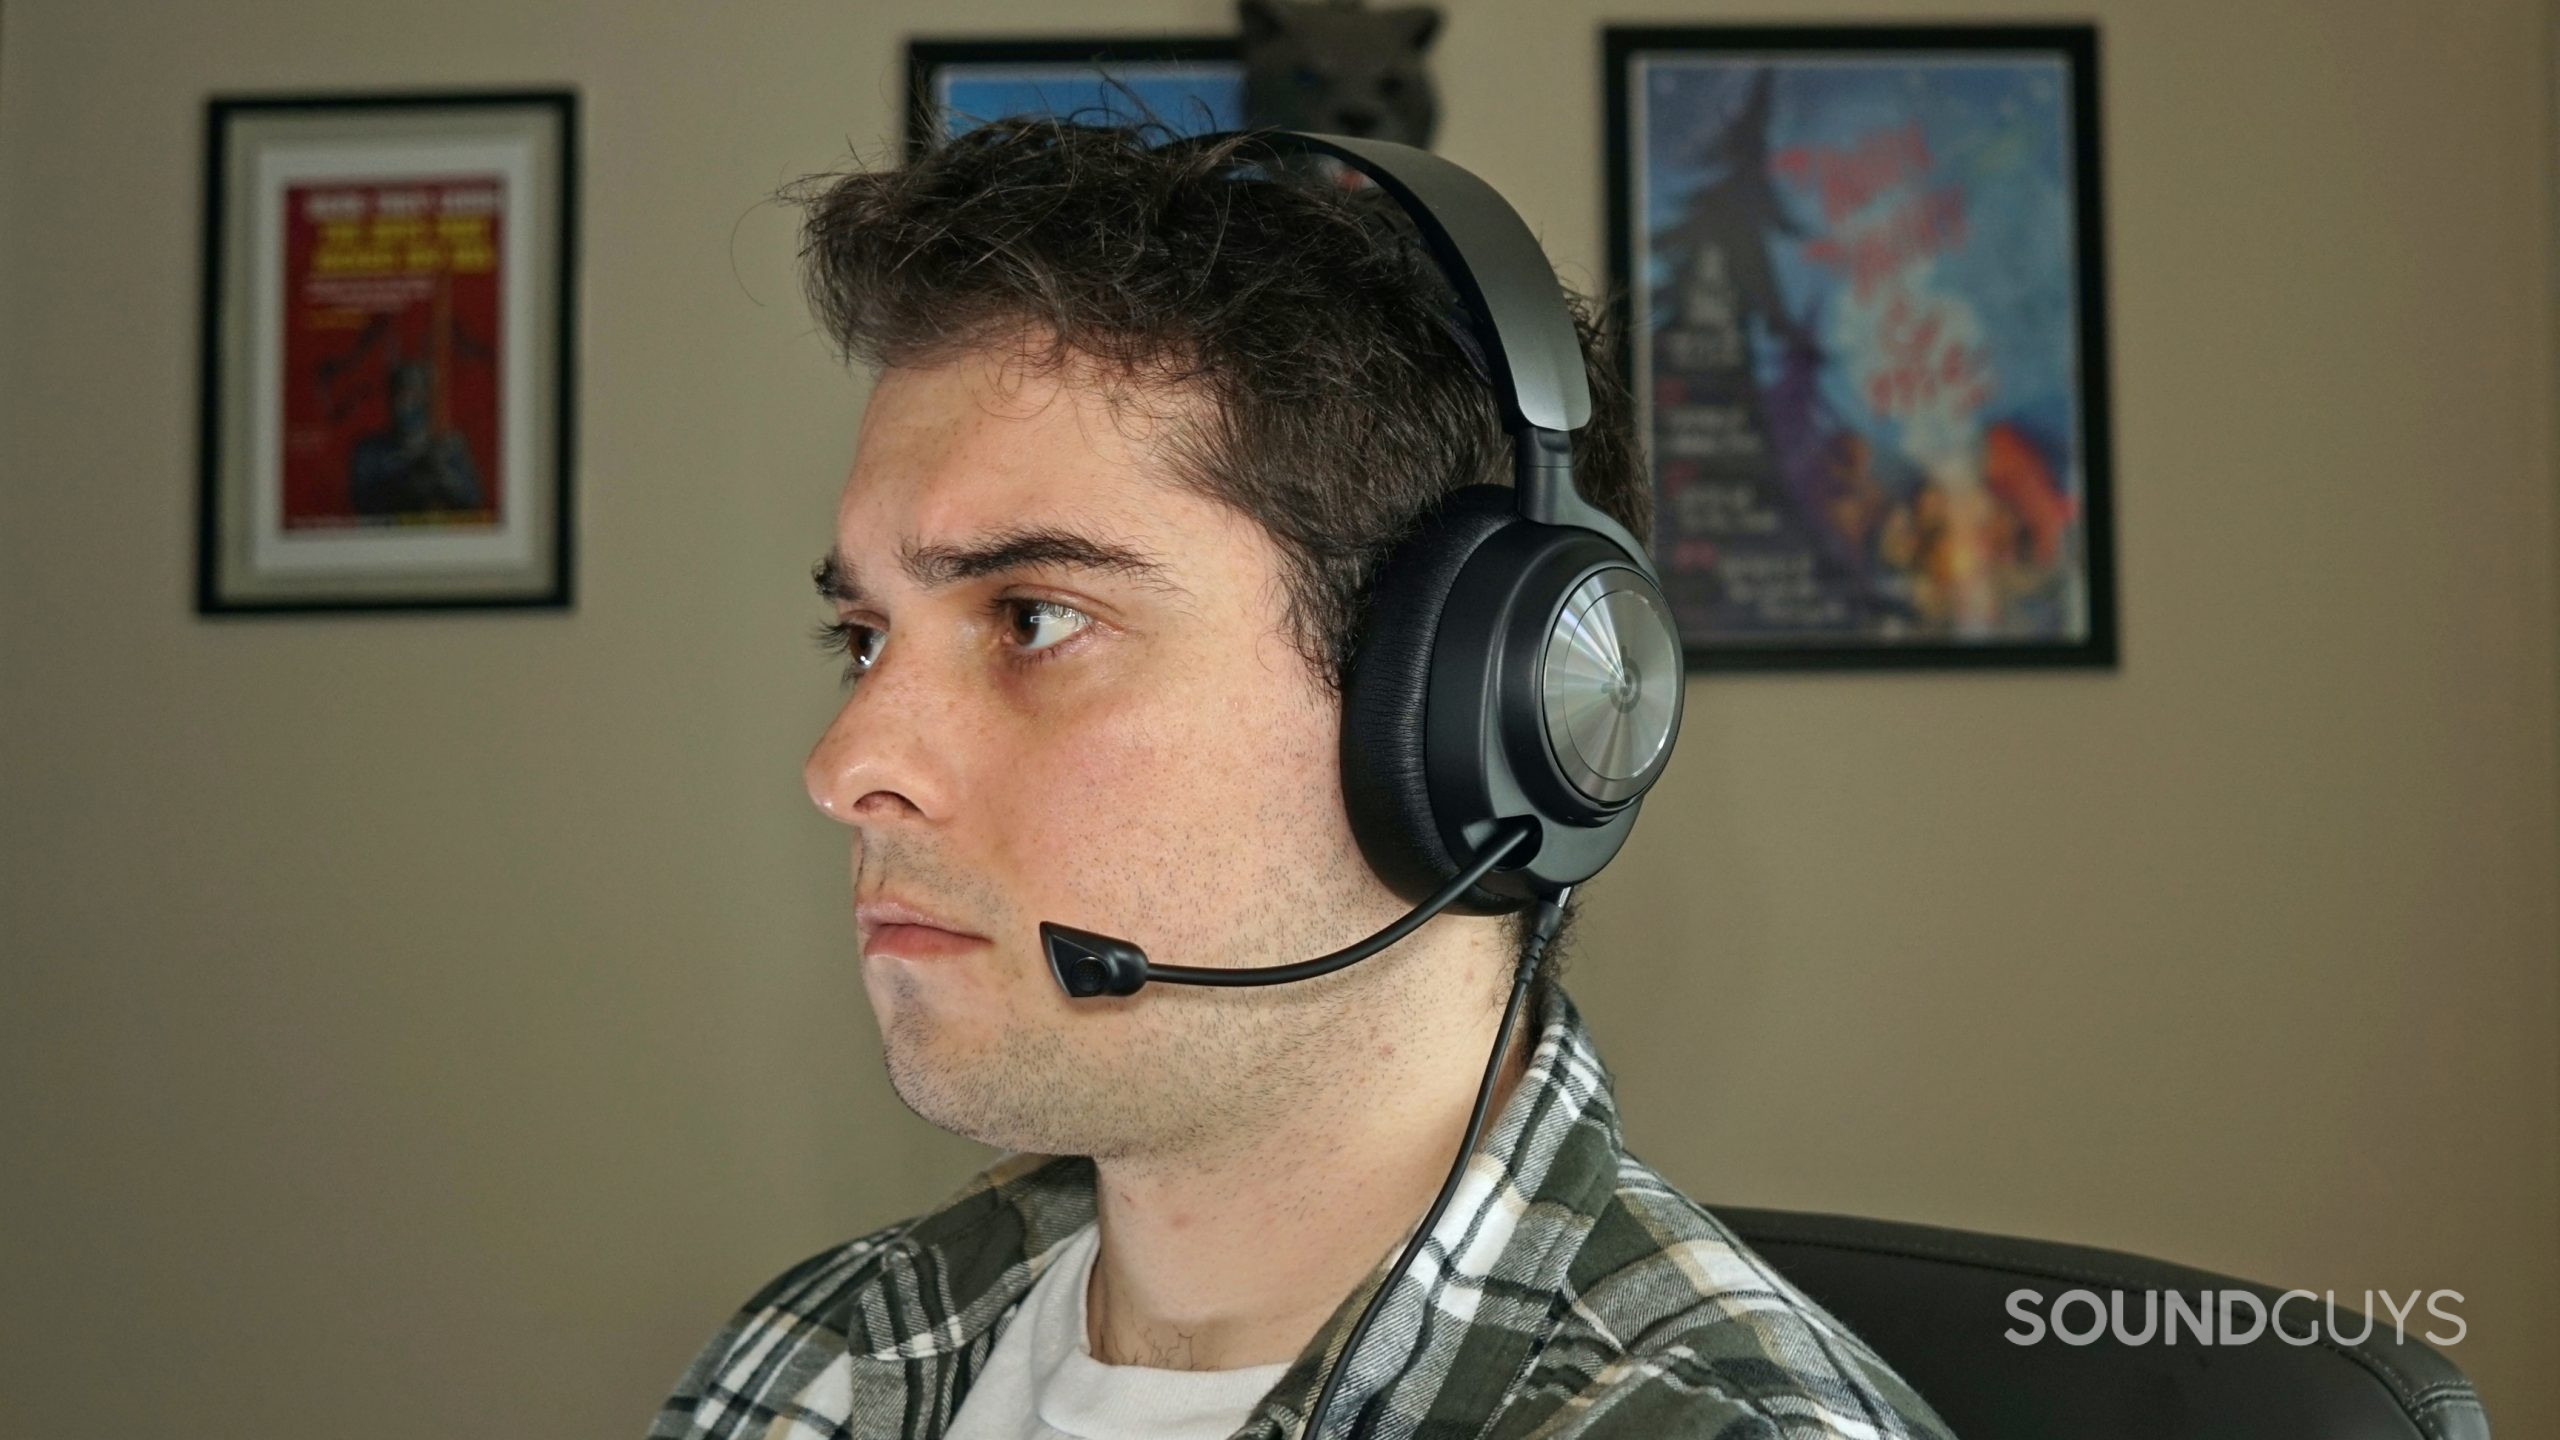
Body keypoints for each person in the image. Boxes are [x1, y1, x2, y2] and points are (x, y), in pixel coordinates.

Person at [648, 118, 1953, 1440]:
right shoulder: (813, 1356)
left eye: (1035, 618)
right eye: (862, 640)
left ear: (1472, 717)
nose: (847, 764)